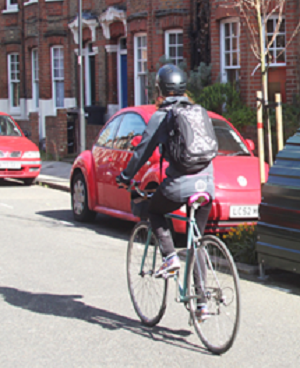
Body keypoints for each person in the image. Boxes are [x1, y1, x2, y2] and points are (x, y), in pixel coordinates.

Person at [116, 64, 215, 320]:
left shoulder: (163, 115)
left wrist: (126, 176)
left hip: (180, 183)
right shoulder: (198, 111)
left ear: (159, 89)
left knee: (153, 210)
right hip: (208, 184)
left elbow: (143, 150)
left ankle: (170, 257)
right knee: (197, 242)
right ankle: (202, 305)